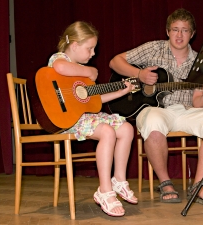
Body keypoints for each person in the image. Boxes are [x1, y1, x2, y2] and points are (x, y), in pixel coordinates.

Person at [109, 8, 203, 205]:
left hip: (186, 110)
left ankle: (199, 185)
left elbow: (199, 103)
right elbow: (115, 62)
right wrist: (139, 75)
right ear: (167, 31)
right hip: (153, 109)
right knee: (153, 121)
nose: (179, 35)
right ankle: (165, 182)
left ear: (193, 33)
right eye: (175, 29)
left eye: (185, 30)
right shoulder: (153, 48)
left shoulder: (201, 62)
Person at [48, 21, 138, 217]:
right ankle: (104, 190)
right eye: (90, 48)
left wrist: (120, 91)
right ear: (74, 45)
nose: (93, 53)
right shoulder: (61, 60)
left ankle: (119, 179)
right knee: (106, 131)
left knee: (126, 129)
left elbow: (93, 101)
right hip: (67, 121)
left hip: (85, 117)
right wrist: (89, 71)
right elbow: (60, 66)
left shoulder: (80, 74)